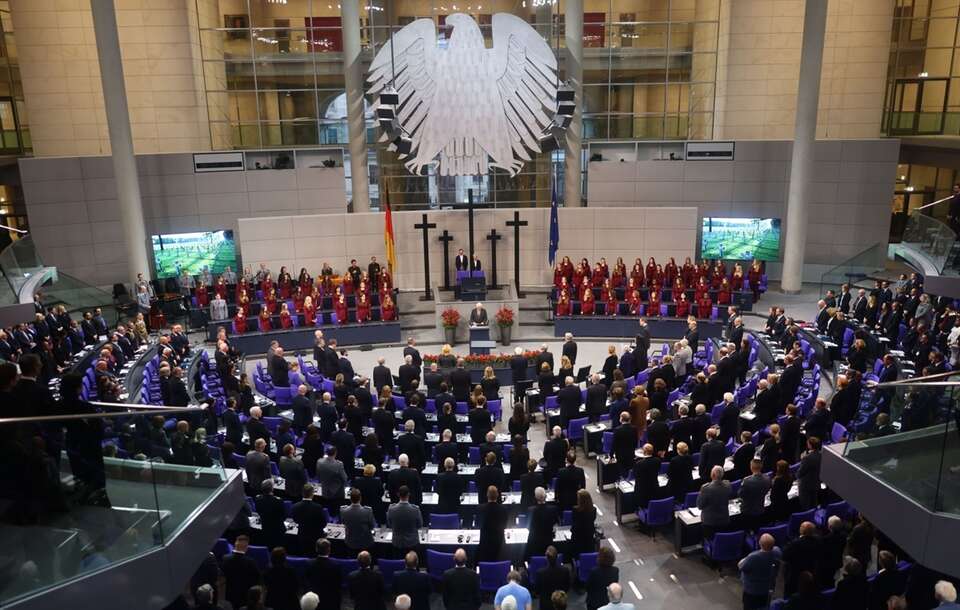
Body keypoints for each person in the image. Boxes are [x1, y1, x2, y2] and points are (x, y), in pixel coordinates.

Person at [738, 532, 782, 610]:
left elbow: (741, 566)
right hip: (767, 587)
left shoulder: (753, 557)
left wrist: (746, 558)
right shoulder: (777, 552)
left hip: (752, 591)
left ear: (759, 543)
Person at [221, 535, 261, 610]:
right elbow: (257, 580)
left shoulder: (225, 558)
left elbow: (222, 575)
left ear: (235, 545)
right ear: (246, 548)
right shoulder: (251, 562)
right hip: (244, 595)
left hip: (230, 593)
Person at [783, 522, 821, 597]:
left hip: (796, 573)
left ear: (801, 530)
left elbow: (784, 556)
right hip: (812, 570)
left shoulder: (795, 544)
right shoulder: (818, 540)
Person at [290, 484, 328, 557]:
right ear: (312, 493)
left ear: (302, 493)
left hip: (302, 535)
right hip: (316, 536)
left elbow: (295, 520)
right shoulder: (318, 507)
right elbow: (323, 524)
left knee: (305, 555)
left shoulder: (295, 506)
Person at [697, 465, 732, 540]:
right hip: (724, 520)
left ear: (712, 475)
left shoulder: (706, 488)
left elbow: (700, 506)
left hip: (709, 522)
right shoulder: (728, 485)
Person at [387, 485, 423, 557]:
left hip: (397, 543)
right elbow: (420, 525)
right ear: (409, 494)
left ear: (398, 494)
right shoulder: (415, 509)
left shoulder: (391, 509)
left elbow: (390, 524)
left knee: (398, 565)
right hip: (412, 542)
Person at [305, 539, 341, 610]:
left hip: (315, 599)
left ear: (316, 549)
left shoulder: (309, 564)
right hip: (331, 599)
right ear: (329, 550)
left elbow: (306, 581)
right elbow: (338, 584)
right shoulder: (336, 565)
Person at [738, 459, 771, 533]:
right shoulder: (767, 478)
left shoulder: (747, 481)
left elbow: (741, 494)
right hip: (760, 508)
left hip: (747, 510)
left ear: (751, 467)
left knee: (746, 529)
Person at [525, 486, 559, 559]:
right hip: (548, 542)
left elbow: (528, 527)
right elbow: (556, 524)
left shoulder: (531, 510)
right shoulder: (553, 509)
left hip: (534, 543)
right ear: (545, 496)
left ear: (535, 497)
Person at [478, 485, 509, 562]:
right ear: (498, 495)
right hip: (499, 543)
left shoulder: (480, 508)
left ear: (487, 495)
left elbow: (477, 524)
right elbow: (505, 525)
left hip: (485, 543)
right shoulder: (504, 509)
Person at [314, 445, 348, 516]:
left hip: (324, 490)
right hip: (337, 493)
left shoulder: (319, 462)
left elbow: (318, 475)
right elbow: (345, 478)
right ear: (335, 453)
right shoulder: (339, 464)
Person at [340, 488, 376, 554]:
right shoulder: (367, 511)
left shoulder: (343, 510)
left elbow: (343, 523)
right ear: (360, 498)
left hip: (350, 542)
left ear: (350, 499)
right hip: (366, 542)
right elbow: (372, 526)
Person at [536, 546, 571, 610]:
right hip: (560, 603)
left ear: (546, 558)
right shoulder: (565, 570)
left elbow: (537, 591)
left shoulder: (540, 573)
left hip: (545, 605)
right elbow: (567, 587)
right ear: (557, 556)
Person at [585, 546, 619, 610]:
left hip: (594, 603)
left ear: (600, 558)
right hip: (607, 602)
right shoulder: (615, 570)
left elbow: (587, 587)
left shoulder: (594, 572)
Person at [796, 436, 822, 510]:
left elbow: (800, 473)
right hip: (816, 482)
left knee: (805, 506)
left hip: (806, 486)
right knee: (814, 504)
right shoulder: (822, 454)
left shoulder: (807, 458)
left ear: (810, 445)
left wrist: (802, 459)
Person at [571, 489, 598, 557]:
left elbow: (574, 523)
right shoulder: (593, 510)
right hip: (589, 538)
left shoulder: (575, 510)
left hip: (577, 539)